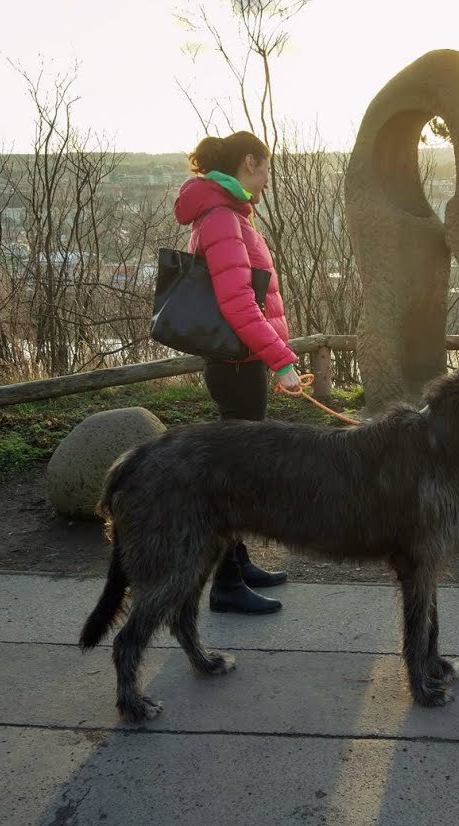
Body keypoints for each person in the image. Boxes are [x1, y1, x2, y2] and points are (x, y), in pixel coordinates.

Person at [173, 131, 300, 614]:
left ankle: (238, 560)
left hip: (239, 363)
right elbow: (239, 304)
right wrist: (282, 361)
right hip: (238, 365)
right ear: (249, 163)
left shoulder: (224, 212)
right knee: (235, 478)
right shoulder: (224, 217)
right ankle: (225, 584)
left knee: (238, 469)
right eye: (265, 168)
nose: (267, 180)